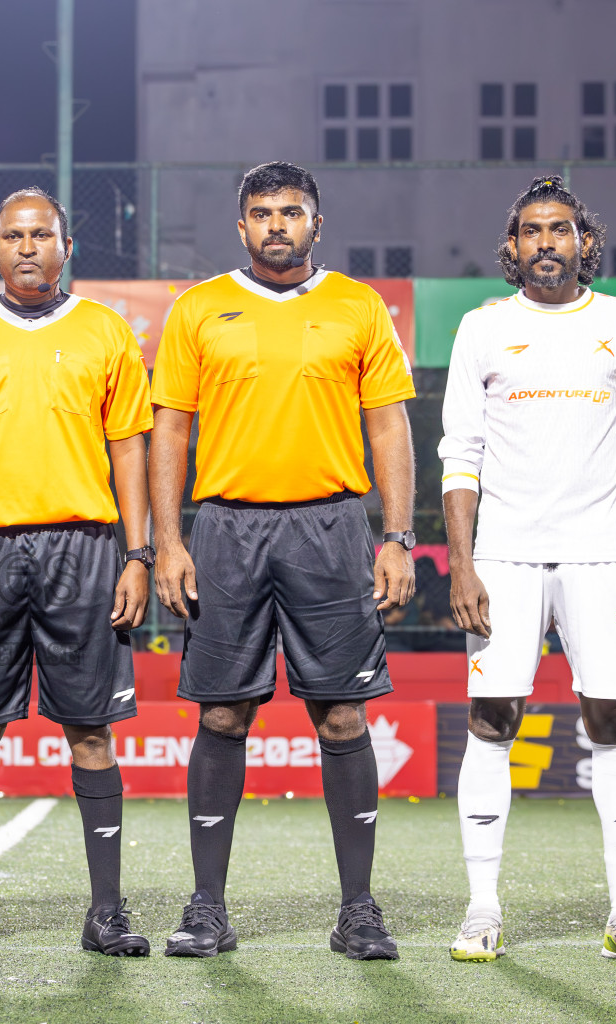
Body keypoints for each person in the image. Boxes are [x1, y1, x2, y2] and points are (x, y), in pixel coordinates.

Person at [150, 161, 416, 961]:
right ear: (241, 227)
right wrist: (168, 540)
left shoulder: (359, 305)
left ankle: (359, 910)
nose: (276, 224)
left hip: (332, 530)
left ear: (316, 223)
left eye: (291, 211)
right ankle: (207, 909)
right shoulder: (197, 309)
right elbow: (169, 430)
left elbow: (390, 428)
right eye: (262, 213)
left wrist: (397, 536)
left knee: (343, 715)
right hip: (228, 531)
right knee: (223, 713)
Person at [0, 187, 154, 957]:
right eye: (13, 236)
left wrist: (137, 554)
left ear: (66, 246)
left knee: (91, 733)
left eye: (41, 234)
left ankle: (107, 912)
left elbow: (130, 454)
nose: (27, 246)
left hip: (84, 550)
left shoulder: (106, 331)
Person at [441, 176, 616, 966]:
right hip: (502, 556)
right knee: (492, 720)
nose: (546, 242)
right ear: (512, 248)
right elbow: (459, 455)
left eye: (561, 229)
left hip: (603, 555)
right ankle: (481, 909)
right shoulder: (481, 329)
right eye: (532, 231)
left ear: (585, 242)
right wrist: (462, 566)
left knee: (612, 720)